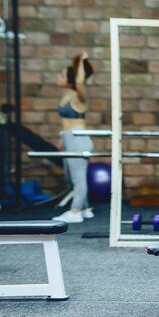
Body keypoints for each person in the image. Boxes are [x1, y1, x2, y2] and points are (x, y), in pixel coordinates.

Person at [52, 52, 95, 223]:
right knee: (71, 177)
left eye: (61, 75)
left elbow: (80, 81)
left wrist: (81, 61)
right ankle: (85, 208)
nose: (58, 76)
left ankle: (75, 212)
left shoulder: (79, 94)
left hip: (78, 138)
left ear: (69, 79)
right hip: (68, 138)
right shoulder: (67, 94)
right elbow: (64, 122)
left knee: (78, 178)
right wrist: (61, 139)